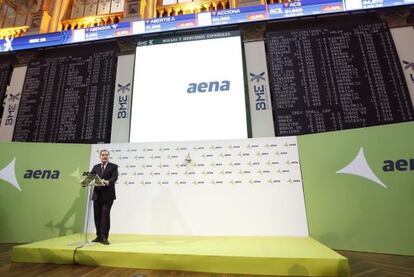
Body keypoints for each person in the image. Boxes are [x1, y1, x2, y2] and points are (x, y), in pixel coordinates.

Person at [90, 149, 118, 245]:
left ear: (108, 156)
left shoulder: (113, 166)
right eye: (103, 155)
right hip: (97, 195)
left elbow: (114, 178)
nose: (104, 156)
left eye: (106, 155)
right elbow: (90, 177)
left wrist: (107, 181)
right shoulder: (96, 167)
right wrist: (85, 182)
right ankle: (98, 236)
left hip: (108, 196)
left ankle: (104, 237)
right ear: (100, 156)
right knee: (97, 216)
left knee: (105, 216)